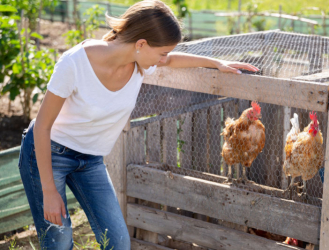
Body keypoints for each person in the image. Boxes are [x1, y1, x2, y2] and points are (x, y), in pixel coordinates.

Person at [18, 0, 259, 249]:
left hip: (90, 160)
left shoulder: (140, 64)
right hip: (49, 153)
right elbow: (43, 126)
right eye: (161, 52)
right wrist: (48, 191)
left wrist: (216, 63)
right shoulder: (74, 63)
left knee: (119, 243)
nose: (163, 59)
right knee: (59, 242)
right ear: (141, 44)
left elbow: (172, 60)